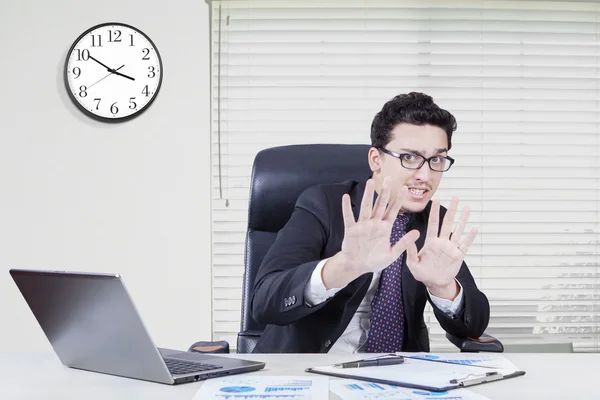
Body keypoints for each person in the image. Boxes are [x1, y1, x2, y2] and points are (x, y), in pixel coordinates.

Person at [250, 92, 490, 353]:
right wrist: (341, 267)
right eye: (410, 157)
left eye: (437, 159)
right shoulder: (322, 204)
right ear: (376, 159)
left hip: (398, 375)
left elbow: (473, 327)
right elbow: (264, 302)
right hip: (312, 369)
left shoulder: (434, 222)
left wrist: (443, 287)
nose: (425, 175)